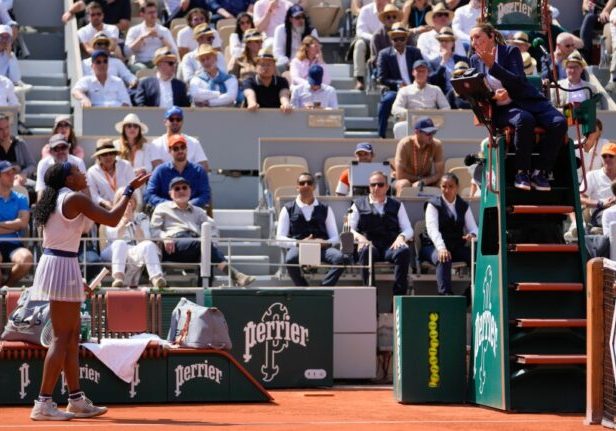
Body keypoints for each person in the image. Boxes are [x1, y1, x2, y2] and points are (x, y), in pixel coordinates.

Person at [28, 162, 149, 421]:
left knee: (71, 338)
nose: (83, 173)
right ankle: (43, 403)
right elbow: (113, 218)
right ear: (68, 179)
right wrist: (128, 189)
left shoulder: (61, 198)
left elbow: (62, 241)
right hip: (62, 264)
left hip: (63, 264)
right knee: (62, 337)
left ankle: (75, 400)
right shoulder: (73, 198)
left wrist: (74, 277)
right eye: (77, 171)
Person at [470, 22, 568, 192]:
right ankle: (521, 172)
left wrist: (493, 66)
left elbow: (518, 82)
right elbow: (476, 90)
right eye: (471, 38)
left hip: (529, 101)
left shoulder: (510, 52)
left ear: (491, 36)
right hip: (503, 110)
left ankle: (541, 171)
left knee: (559, 122)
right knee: (524, 119)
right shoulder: (474, 59)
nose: (474, 41)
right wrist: (493, 96)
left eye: (477, 36)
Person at [150, 176, 255, 286]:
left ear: (190, 191)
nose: (181, 191)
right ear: (170, 193)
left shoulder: (198, 211)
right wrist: (164, 237)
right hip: (172, 246)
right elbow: (153, 229)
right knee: (204, 246)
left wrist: (212, 243)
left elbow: (213, 229)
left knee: (207, 254)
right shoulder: (162, 208)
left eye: (184, 187)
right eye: (177, 189)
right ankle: (235, 275)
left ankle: (204, 293)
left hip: (195, 244)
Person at [349, 170, 414, 295]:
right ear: (369, 187)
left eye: (380, 184)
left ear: (387, 187)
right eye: (373, 185)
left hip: (390, 245)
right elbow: (349, 229)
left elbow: (408, 229)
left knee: (403, 251)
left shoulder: (397, 205)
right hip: (370, 245)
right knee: (366, 251)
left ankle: (398, 299)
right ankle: (370, 296)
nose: (376, 188)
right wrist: (360, 238)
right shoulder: (358, 204)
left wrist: (401, 237)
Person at [276, 172, 346, 286]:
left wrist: (324, 243)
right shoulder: (287, 209)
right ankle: (303, 289)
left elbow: (335, 236)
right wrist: (299, 243)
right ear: (297, 187)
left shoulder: (325, 208)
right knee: (290, 260)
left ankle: (323, 289)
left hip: (321, 248)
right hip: (299, 247)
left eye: (309, 183)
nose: (306, 185)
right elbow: (279, 238)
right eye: (302, 183)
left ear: (314, 186)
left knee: (340, 259)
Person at [421, 172, 477, 295]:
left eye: (450, 186)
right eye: (443, 186)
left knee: (478, 255)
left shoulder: (463, 205)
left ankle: (470, 294)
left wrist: (472, 235)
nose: (447, 190)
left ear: (457, 188)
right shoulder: (433, 204)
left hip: (455, 246)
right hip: (432, 247)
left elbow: (474, 228)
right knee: (444, 257)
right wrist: (441, 248)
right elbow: (432, 229)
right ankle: (445, 296)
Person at [101, 188, 167, 289]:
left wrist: (133, 221)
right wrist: (125, 220)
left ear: (135, 201)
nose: (127, 201)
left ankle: (157, 278)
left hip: (133, 250)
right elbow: (114, 237)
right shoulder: (111, 215)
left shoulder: (142, 217)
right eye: (123, 198)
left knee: (149, 244)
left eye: (130, 198)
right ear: (117, 201)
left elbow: (144, 240)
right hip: (113, 251)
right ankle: (118, 278)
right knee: (120, 243)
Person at [376, 23, 424, 138]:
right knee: (386, 101)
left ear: (406, 39)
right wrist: (398, 83)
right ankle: (381, 135)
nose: (398, 41)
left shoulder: (415, 52)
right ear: (391, 40)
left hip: (415, 88)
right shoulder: (384, 54)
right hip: (395, 90)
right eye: (395, 39)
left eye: (401, 38)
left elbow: (423, 70)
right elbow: (381, 78)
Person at [145, 134, 210, 208]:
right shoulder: (160, 171)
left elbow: (205, 194)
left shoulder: (199, 170)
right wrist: (170, 205)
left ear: (186, 149)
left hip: (193, 211)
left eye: (183, 147)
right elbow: (149, 195)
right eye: (176, 148)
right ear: (169, 151)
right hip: (166, 212)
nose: (180, 151)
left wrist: (189, 205)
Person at [394, 116, 445, 196]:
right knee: (403, 184)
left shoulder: (436, 144)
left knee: (444, 183)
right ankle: (401, 208)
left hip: (426, 180)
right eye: (428, 133)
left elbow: (440, 173)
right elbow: (400, 175)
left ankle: (443, 208)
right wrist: (419, 180)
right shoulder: (404, 144)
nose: (431, 136)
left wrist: (424, 181)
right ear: (417, 132)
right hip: (407, 180)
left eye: (433, 132)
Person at [0, 160, 32, 287]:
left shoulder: (21, 198)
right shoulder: (21, 199)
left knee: (26, 259)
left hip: (14, 244)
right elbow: (19, 223)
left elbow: (23, 223)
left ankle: (6, 287)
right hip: (12, 238)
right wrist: (13, 227)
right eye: (7, 173)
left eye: (13, 173)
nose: (12, 176)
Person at [151, 106, 209, 171]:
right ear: (165, 122)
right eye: (171, 119)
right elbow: (157, 167)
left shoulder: (194, 142)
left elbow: (204, 165)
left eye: (178, 119)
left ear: (182, 121)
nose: (175, 122)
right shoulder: (156, 143)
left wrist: (188, 176)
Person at [125, 1, 178, 71]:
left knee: (163, 68)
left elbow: (174, 52)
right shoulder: (134, 30)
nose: (153, 15)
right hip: (140, 62)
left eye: (155, 12)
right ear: (142, 15)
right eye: (150, 13)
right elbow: (126, 52)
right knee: (142, 70)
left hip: (158, 62)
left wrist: (161, 38)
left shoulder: (164, 30)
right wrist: (142, 37)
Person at [35, 134, 86, 201]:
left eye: (63, 147)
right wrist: (41, 210)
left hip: (75, 201)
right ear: (50, 151)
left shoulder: (78, 162)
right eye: (56, 148)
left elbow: (85, 188)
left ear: (68, 147)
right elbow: (41, 189)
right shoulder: (43, 164)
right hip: (52, 202)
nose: (60, 151)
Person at [352, 0, 389, 90]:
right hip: (368, 42)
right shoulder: (365, 10)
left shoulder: (391, 11)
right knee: (359, 45)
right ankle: (359, 79)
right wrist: (374, 38)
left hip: (387, 42)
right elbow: (360, 31)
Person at [580, 142, 616, 227]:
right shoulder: (592, 175)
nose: (607, 159)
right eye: (604, 156)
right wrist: (600, 203)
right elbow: (580, 198)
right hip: (600, 212)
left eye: (611, 156)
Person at [272, 5, 317, 71]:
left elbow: (316, 51)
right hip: (286, 65)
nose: (301, 20)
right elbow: (277, 52)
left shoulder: (311, 31)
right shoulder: (281, 30)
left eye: (303, 17)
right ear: (290, 19)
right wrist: (288, 63)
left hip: (306, 65)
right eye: (297, 17)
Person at [429, 26, 468, 95]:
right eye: (441, 40)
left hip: (463, 95)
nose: (444, 43)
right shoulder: (433, 62)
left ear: (453, 43)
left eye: (447, 40)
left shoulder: (463, 59)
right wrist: (443, 63)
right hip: (443, 97)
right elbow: (432, 82)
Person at [0, 113, 35, 187]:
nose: (5, 132)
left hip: (18, 179)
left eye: (7, 127)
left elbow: (32, 164)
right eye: (0, 129)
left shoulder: (20, 143)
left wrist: (23, 173)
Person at [369, 4, 403, 69]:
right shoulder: (377, 36)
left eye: (394, 17)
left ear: (398, 19)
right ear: (384, 20)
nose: (391, 19)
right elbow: (376, 59)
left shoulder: (405, 34)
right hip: (384, 70)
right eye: (388, 17)